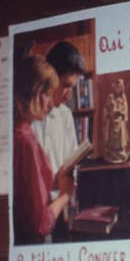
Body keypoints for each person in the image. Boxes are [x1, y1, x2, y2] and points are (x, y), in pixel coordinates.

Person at [13, 56, 74, 245]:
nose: (51, 103)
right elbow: (41, 223)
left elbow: (27, 192)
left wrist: (54, 181)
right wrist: (65, 195)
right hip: (33, 243)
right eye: (47, 94)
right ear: (34, 93)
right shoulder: (26, 141)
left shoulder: (19, 131)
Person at [32, 40, 85, 174]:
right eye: (66, 86)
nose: (69, 97)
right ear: (51, 77)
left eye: (72, 88)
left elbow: (72, 165)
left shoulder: (65, 114)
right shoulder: (28, 114)